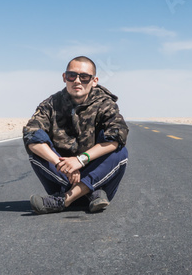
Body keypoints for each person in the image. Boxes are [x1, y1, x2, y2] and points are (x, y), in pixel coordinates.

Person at [23, 56, 129, 214]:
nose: (77, 81)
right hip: (63, 178)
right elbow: (31, 134)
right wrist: (65, 166)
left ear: (94, 80)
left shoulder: (105, 105)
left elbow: (117, 135)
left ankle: (64, 200)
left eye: (84, 77)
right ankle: (89, 193)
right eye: (72, 75)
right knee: (36, 149)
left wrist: (80, 160)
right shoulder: (50, 105)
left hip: (99, 178)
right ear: (64, 77)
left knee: (120, 150)